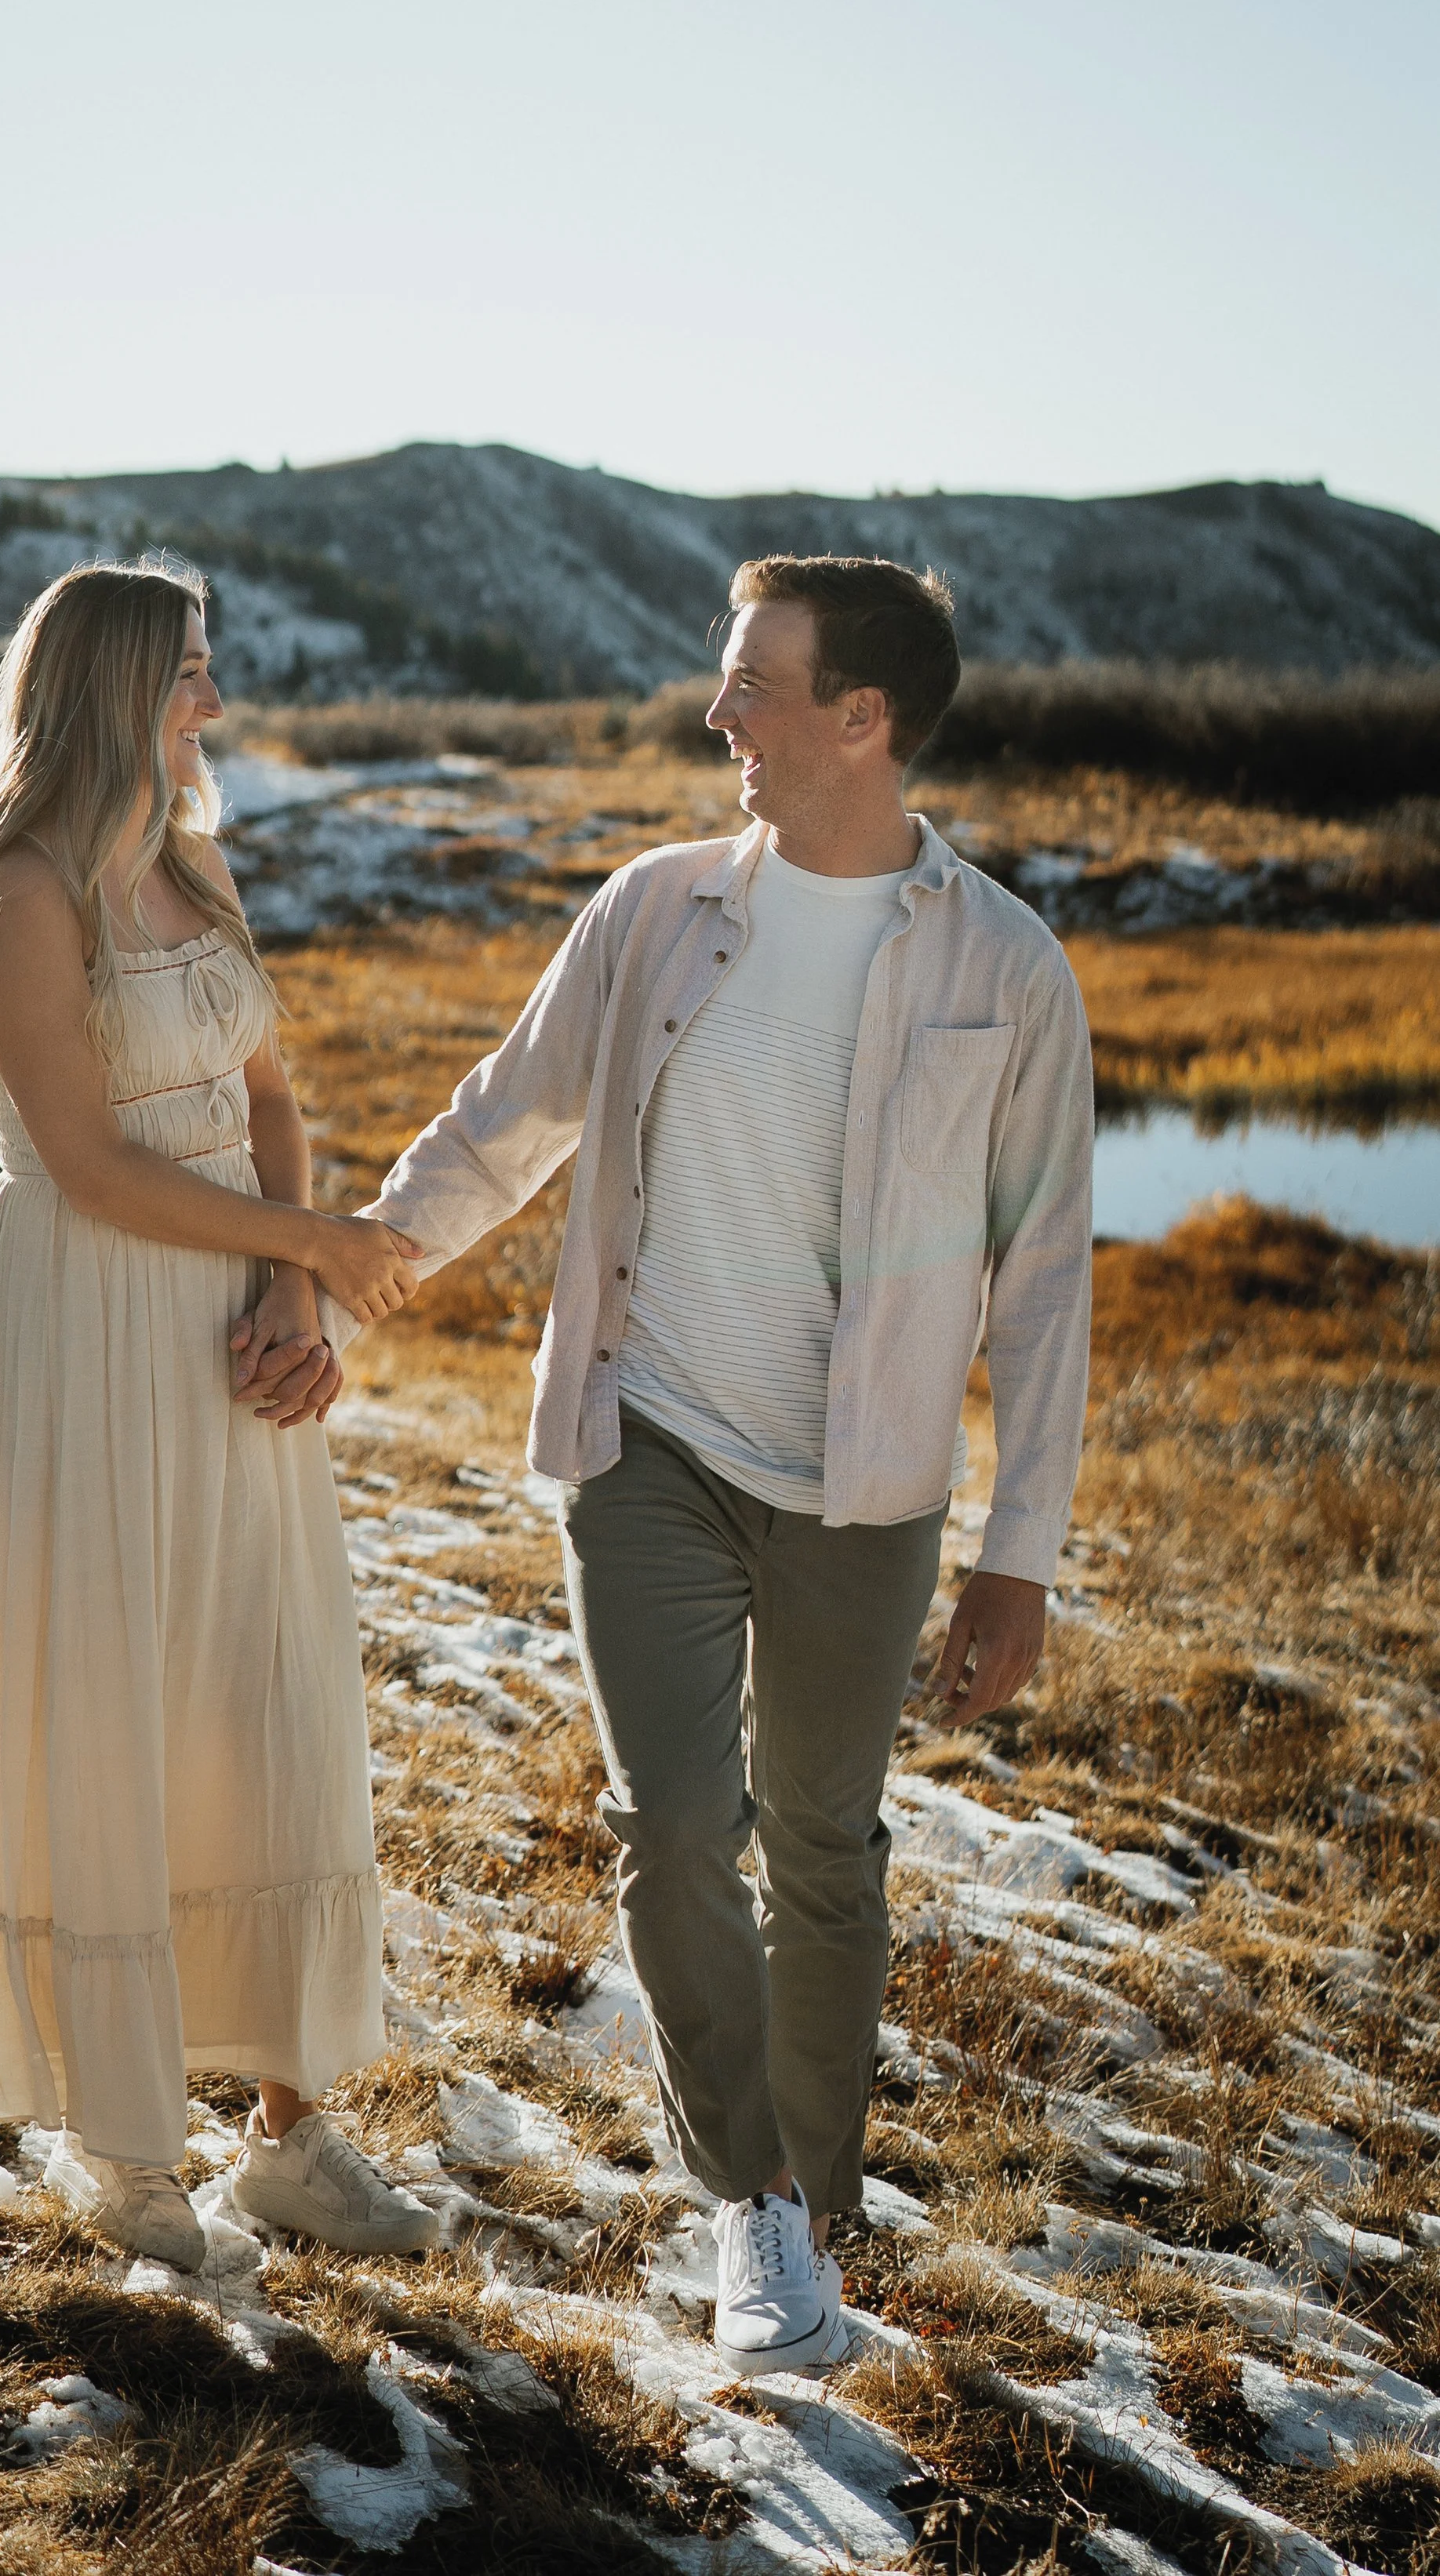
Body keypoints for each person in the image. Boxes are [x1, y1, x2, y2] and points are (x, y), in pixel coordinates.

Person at [327, 554, 1094, 2370]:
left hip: (867, 1489)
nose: (714, 716)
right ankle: (749, 2203)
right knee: (675, 1829)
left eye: (751, 685)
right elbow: (503, 1120)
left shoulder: (1006, 967)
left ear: (861, 719)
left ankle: (812, 2214)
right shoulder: (656, 910)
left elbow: (1046, 1280)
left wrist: (1019, 1554)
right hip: (647, 1441)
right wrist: (345, 1281)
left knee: (823, 1849)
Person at [0, 558, 438, 2269]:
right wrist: (320, 1246)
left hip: (226, 1312)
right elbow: (98, 1166)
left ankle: (284, 2133)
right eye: (190, 670)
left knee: (262, 1688)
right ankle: (121, 2150)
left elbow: (266, 1097)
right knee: (111, 1694)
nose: (214, 699)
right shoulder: (24, 889)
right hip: (91, 1315)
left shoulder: (190, 857)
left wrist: (289, 1290)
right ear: (117, 686)